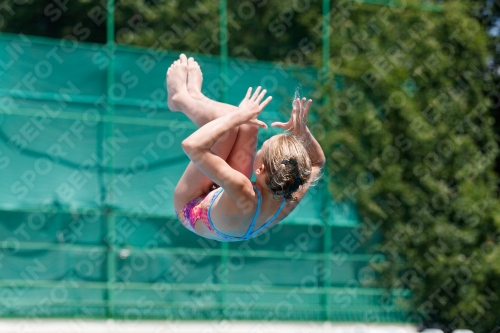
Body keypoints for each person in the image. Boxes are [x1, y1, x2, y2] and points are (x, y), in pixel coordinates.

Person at [168, 54, 325, 242]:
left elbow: (192, 146)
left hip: (191, 208)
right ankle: (196, 96)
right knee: (249, 124)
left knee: (228, 122)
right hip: (230, 209)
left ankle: (181, 98)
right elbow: (317, 162)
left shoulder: (243, 188)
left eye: (262, 148)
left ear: (260, 168)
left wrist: (237, 116)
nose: (258, 147)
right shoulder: (291, 190)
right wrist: (303, 134)